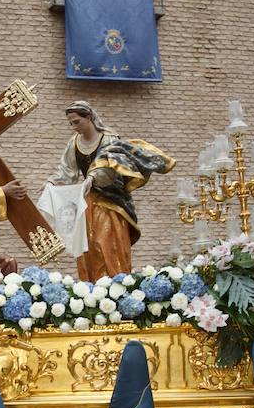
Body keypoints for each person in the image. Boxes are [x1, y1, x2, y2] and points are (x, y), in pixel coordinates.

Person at [48, 100, 174, 281]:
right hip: (88, 202)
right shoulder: (74, 142)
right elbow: (67, 169)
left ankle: (115, 286)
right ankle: (90, 288)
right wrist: (52, 182)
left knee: (107, 243)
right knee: (87, 246)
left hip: (112, 201)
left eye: (77, 122)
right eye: (71, 123)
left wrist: (92, 177)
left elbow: (112, 164)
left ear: (89, 117)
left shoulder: (109, 139)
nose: (74, 127)